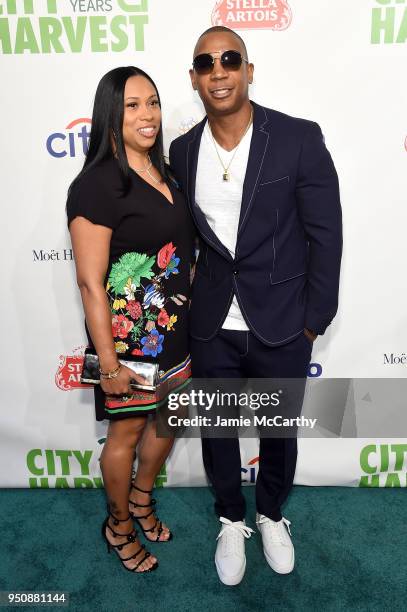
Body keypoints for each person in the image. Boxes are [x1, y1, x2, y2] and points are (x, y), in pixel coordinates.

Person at [169, 27, 342, 585]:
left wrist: (314, 321)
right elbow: (190, 241)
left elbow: (326, 235)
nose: (217, 71)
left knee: (278, 430)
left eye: (228, 60)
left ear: (248, 69)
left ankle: (270, 513)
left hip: (284, 320)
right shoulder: (183, 149)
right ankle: (230, 519)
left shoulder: (296, 137)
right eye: (205, 63)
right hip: (212, 322)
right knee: (218, 430)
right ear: (194, 78)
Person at [67, 67, 195, 573]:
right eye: (133, 106)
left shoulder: (164, 170)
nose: (148, 115)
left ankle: (142, 498)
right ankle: (118, 524)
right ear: (110, 116)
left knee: (172, 417)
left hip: (176, 332)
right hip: (126, 342)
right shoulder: (96, 186)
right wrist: (109, 361)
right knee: (126, 434)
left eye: (154, 103)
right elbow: (90, 282)